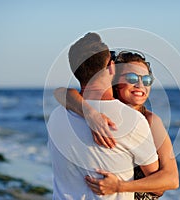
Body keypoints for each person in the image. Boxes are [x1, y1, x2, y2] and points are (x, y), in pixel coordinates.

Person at [47, 32, 159, 200]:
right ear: (111, 67)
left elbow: (61, 93)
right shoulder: (133, 121)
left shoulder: (56, 116)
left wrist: (90, 113)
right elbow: (157, 187)